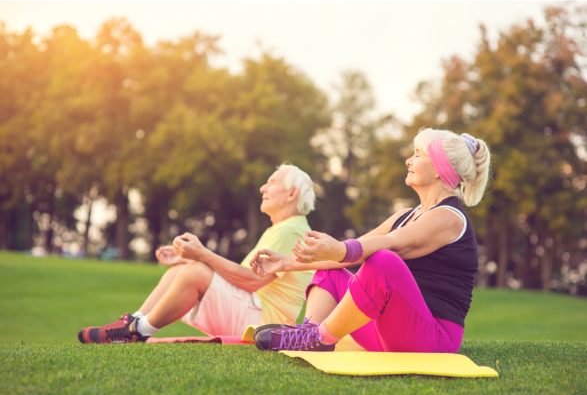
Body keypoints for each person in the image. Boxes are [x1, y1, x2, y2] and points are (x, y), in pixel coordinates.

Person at [250, 128, 491, 353]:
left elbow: (394, 243)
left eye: (418, 155)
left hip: (433, 339)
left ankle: (316, 337)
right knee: (331, 270)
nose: (408, 160)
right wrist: (284, 264)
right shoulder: (406, 215)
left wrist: (338, 249)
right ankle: (310, 335)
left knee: (383, 260)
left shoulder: (449, 218)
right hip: (388, 330)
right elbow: (353, 252)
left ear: (440, 168)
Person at [78, 164, 317, 344]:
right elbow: (242, 276)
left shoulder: (291, 231)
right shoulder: (285, 228)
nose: (263, 188)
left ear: (291, 193)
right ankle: (134, 322)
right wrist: (189, 257)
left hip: (265, 325)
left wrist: (201, 255)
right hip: (256, 312)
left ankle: (139, 330)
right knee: (185, 269)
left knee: (194, 272)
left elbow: (250, 281)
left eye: (272, 182)